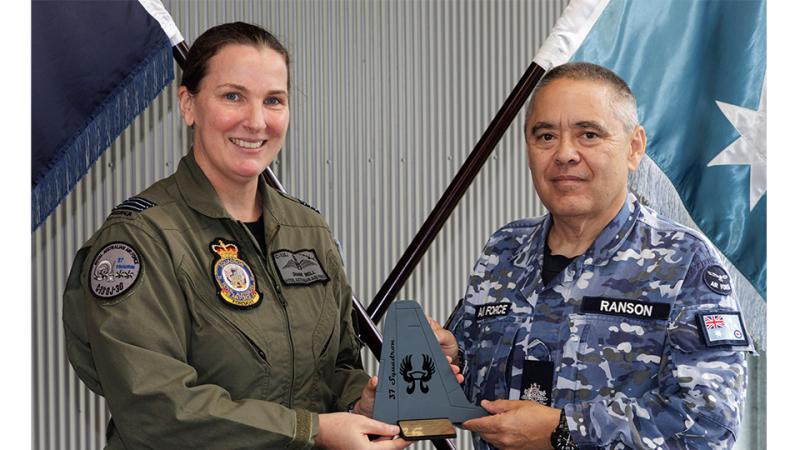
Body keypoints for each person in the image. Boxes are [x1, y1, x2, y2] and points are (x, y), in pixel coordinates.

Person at [62, 22, 408, 450]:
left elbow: (334, 368)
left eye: (273, 100)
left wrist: (362, 400)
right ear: (188, 105)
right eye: (233, 96)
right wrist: (311, 430)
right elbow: (155, 407)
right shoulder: (142, 239)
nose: (256, 121)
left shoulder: (307, 231)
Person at [430, 62, 755, 450]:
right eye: (546, 136)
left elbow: (708, 425)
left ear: (634, 147)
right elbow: (474, 389)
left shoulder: (684, 262)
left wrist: (563, 431)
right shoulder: (504, 250)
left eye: (588, 134)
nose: (565, 154)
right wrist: (453, 362)